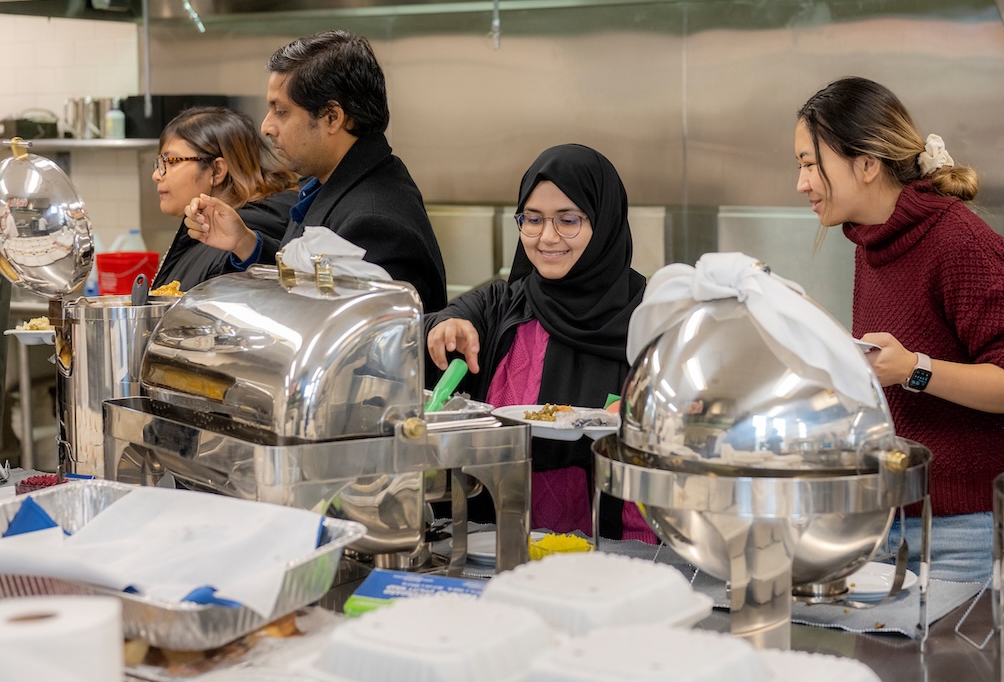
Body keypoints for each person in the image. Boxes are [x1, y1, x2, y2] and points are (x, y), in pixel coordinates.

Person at [794, 76, 1004, 582]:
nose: (802, 183)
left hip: (966, 532)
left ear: (867, 164)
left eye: (810, 163)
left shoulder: (961, 244)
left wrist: (917, 370)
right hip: (885, 519)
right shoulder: (873, 244)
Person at [425, 143, 653, 540]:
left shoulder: (650, 318)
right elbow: (450, 320)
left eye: (568, 220)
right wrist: (444, 326)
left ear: (604, 222)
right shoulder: (502, 305)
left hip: (614, 553)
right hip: (495, 546)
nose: (547, 237)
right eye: (532, 219)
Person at [183, 30, 447, 312]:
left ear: (332, 117)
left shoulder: (372, 222)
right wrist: (246, 242)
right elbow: (311, 281)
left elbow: (347, 337)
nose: (266, 127)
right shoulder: (332, 181)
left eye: (281, 111)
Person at [150, 106, 298, 292]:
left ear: (217, 170)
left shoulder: (244, 233)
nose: (157, 175)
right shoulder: (201, 231)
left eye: (170, 162)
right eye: (160, 163)